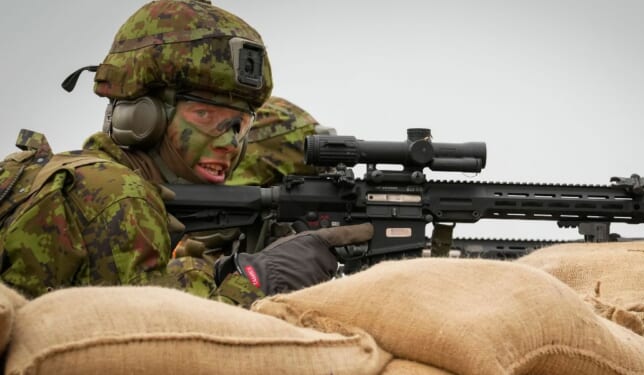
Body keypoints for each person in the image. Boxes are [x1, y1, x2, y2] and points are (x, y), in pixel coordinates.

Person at [0, 0, 371, 308]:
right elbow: (164, 346)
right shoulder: (118, 196)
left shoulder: (68, 176)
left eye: (239, 125)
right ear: (142, 116)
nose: (229, 142)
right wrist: (262, 278)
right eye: (206, 116)